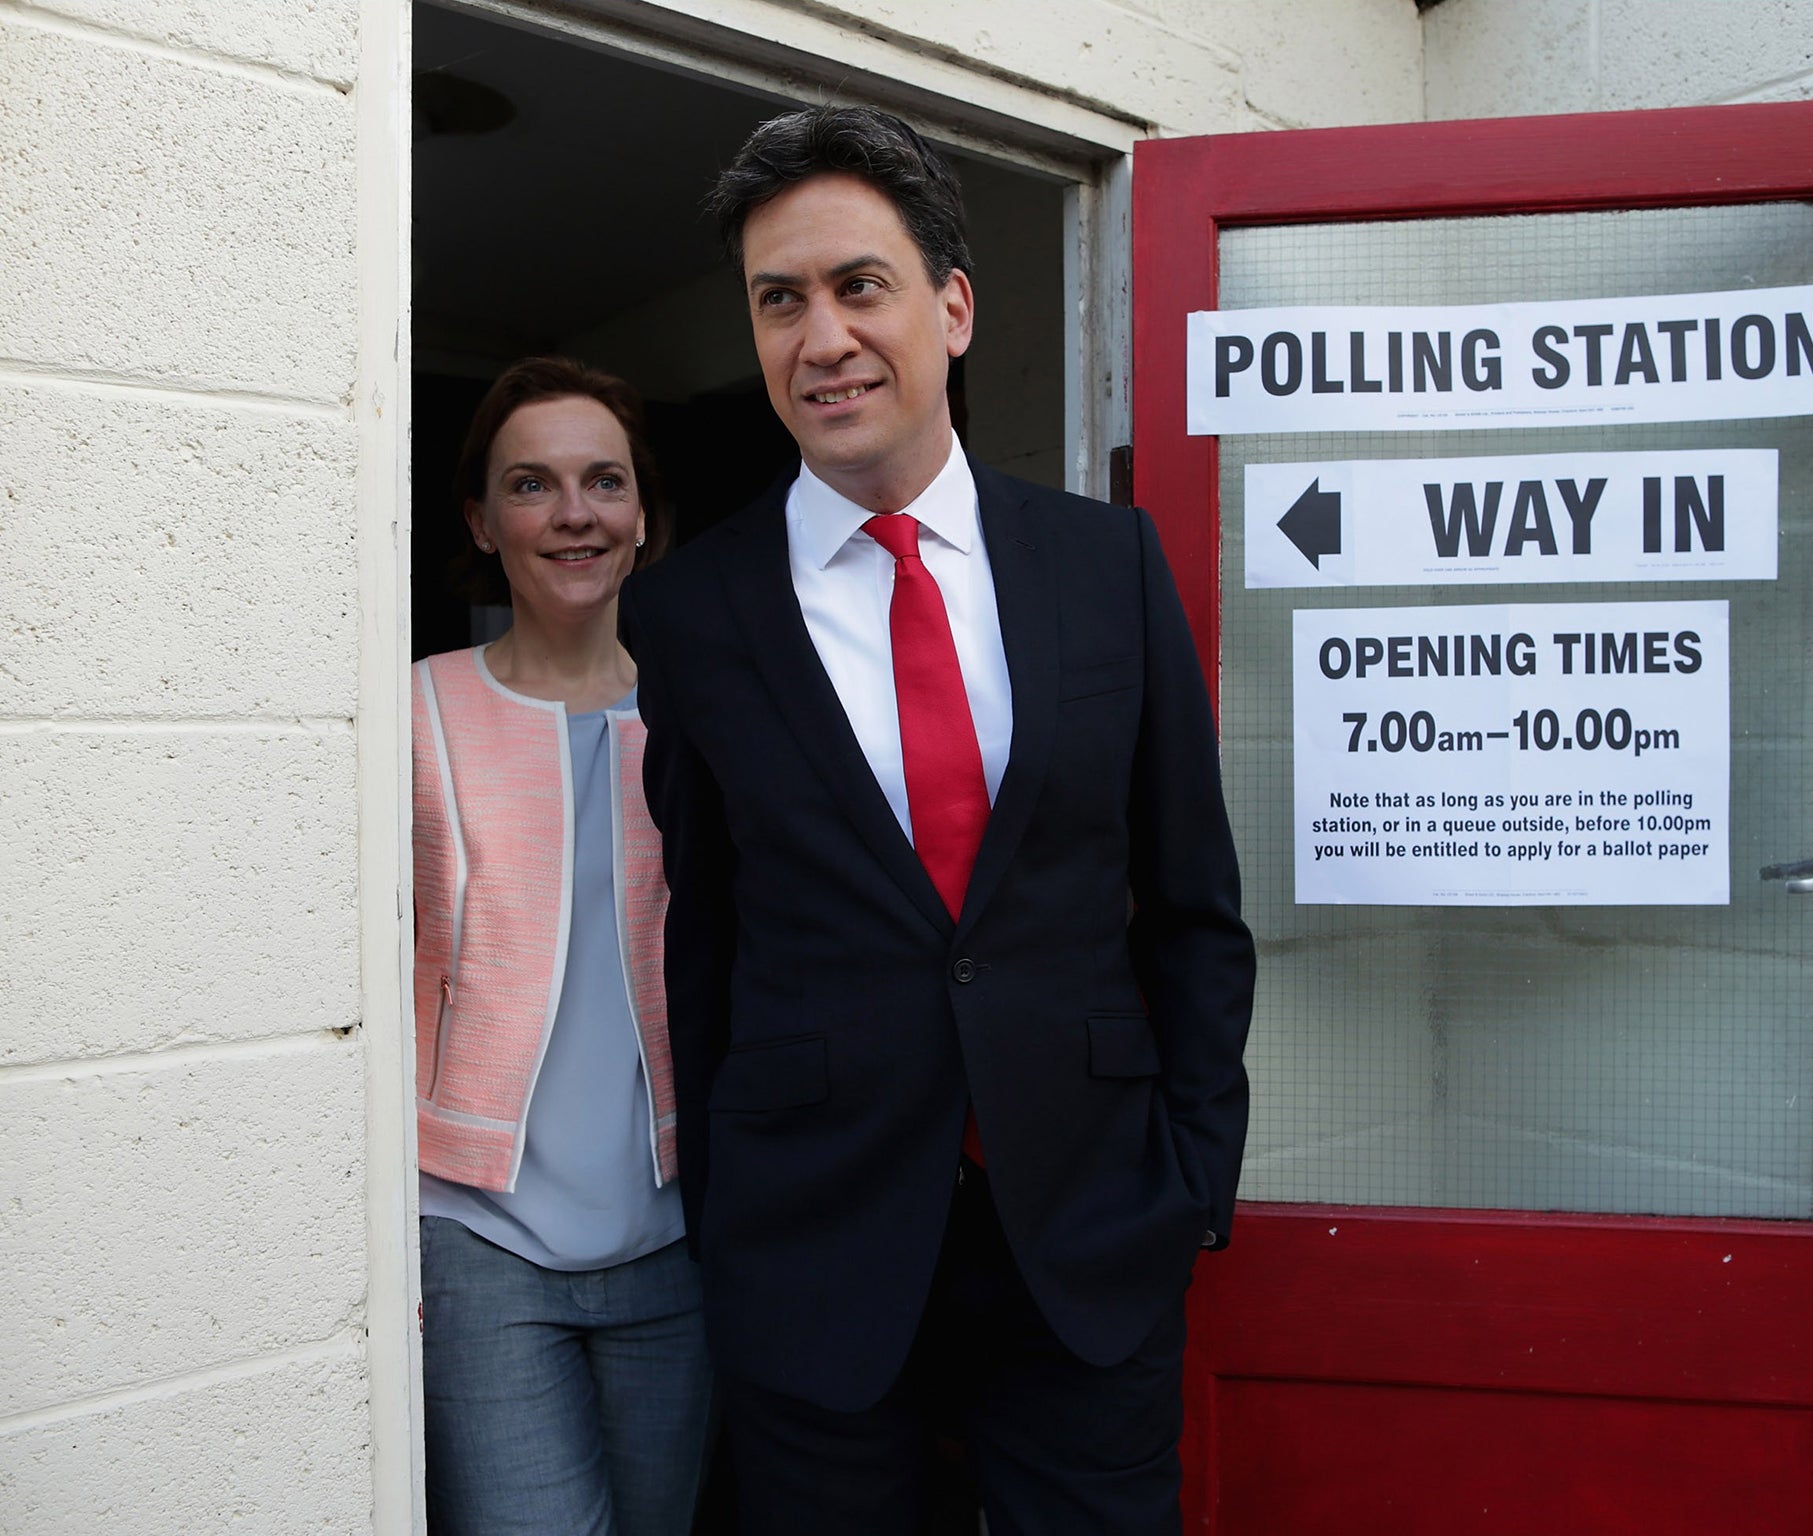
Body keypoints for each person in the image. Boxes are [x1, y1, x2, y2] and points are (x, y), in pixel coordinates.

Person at [619, 108, 1255, 1534]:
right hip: (817, 1256)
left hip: (1089, 1242)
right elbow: (704, 938)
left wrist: (1192, 1182)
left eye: (859, 286)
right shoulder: (693, 614)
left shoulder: (1106, 564)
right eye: (779, 302)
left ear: (952, 308)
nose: (821, 337)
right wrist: (734, 1216)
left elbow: (1194, 901)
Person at [412, 357, 713, 1535]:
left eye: (604, 483)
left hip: (675, 1236)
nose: (573, 513)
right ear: (483, 523)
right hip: (481, 1239)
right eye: (531, 486)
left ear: (645, 520)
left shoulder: (705, 717)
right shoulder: (414, 708)